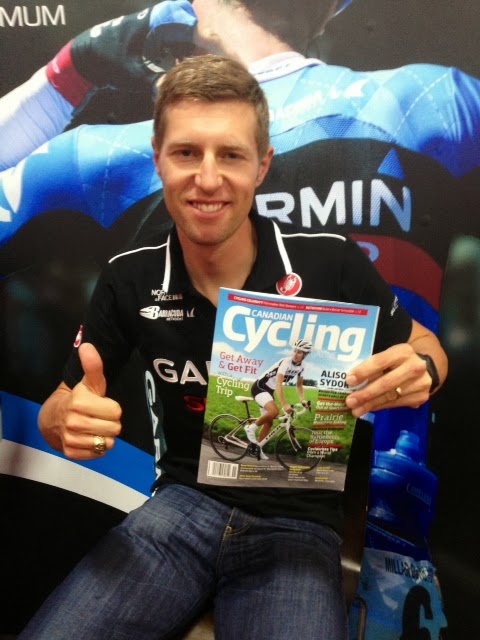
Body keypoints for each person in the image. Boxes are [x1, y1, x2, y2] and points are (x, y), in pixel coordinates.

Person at [18, 54, 447, 640]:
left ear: (262, 165)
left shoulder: (332, 262)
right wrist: (63, 418)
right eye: (186, 152)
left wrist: (423, 368)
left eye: (231, 155)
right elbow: (61, 403)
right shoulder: (129, 277)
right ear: (158, 159)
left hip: (299, 524)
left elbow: (425, 345)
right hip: (180, 510)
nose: (208, 178)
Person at [245, 339, 313, 459]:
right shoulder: (286, 362)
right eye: (295, 350)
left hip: (269, 391)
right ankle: (251, 428)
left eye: (299, 352)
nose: (295, 354)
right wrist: (284, 404)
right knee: (274, 411)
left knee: (269, 422)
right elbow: (278, 383)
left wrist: (302, 400)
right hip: (260, 387)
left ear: (305, 355)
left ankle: (257, 448)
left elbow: (299, 385)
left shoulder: (303, 367)